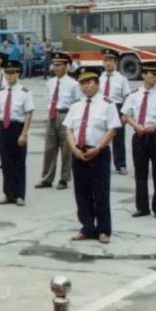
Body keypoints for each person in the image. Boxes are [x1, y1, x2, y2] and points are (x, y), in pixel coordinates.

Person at [64, 68, 121, 243]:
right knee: (81, 193)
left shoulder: (107, 104)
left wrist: (98, 148)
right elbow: (69, 129)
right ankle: (87, 227)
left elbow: (112, 129)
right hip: (79, 153)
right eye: (82, 83)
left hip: (98, 153)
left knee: (100, 193)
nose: (85, 86)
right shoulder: (76, 105)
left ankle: (103, 230)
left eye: (89, 82)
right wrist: (74, 149)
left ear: (97, 83)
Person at [122, 61, 156, 218]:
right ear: (144, 74)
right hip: (139, 136)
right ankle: (142, 207)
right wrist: (136, 125)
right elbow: (126, 115)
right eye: (152, 74)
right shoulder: (134, 94)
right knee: (140, 174)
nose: (155, 77)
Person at [0, 60, 33, 206]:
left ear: (18, 74)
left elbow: (28, 114)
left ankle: (19, 194)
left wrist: (24, 133)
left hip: (17, 127)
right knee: (5, 162)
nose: (9, 76)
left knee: (18, 162)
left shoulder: (25, 92)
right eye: (7, 73)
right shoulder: (1, 92)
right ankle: (8, 194)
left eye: (12, 73)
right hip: (3, 128)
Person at [36, 51, 80, 190]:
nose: (56, 68)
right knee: (49, 147)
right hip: (53, 114)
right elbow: (49, 99)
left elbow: (77, 103)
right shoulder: (50, 82)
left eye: (59, 65)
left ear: (66, 66)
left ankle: (64, 178)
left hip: (66, 115)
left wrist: (73, 122)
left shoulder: (73, 84)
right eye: (54, 65)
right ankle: (47, 178)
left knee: (66, 148)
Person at [98, 48, 131, 175]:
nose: (107, 63)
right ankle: (100, 163)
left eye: (110, 60)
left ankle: (120, 164)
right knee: (101, 137)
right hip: (102, 109)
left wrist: (125, 114)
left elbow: (127, 97)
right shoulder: (99, 79)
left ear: (115, 62)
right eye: (105, 60)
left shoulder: (121, 79)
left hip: (117, 108)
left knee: (118, 139)